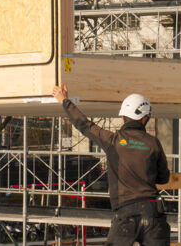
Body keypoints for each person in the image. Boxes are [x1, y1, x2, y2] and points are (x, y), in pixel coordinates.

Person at [52, 85, 171, 246]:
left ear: (123, 118)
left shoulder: (113, 141)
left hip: (125, 214)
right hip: (153, 214)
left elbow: (85, 125)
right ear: (145, 118)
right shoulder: (153, 143)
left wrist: (64, 100)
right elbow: (164, 178)